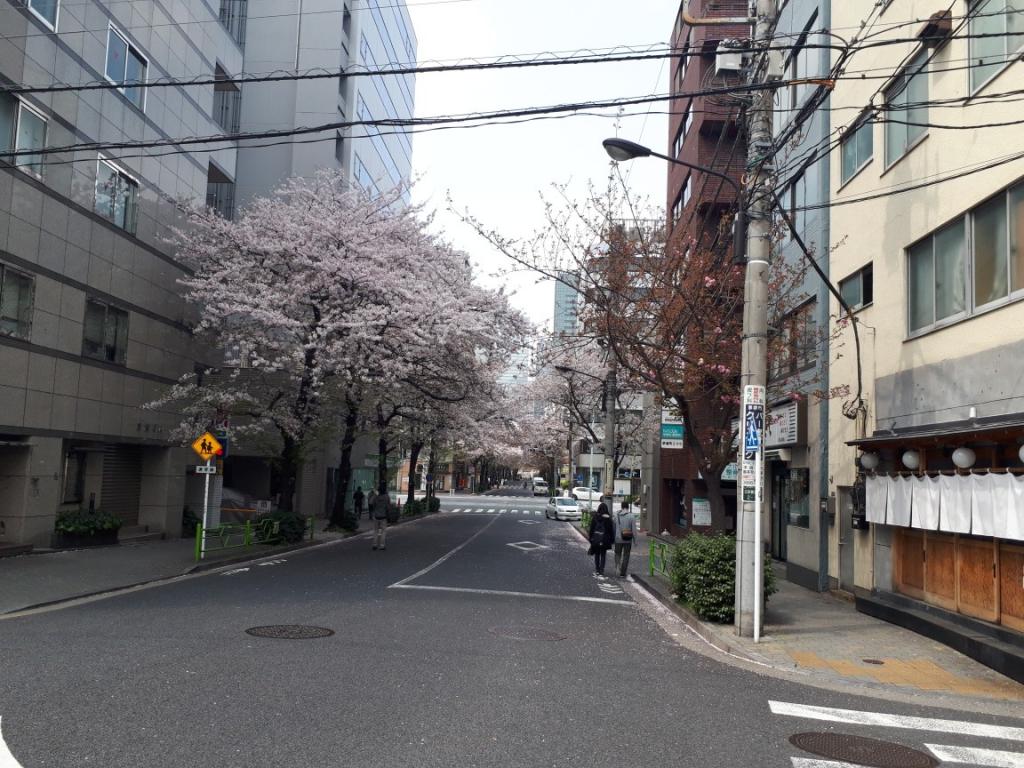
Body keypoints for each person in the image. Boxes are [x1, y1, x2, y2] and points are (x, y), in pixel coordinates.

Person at [587, 501, 614, 575]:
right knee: (603, 554)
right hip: (604, 540)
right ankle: (602, 569)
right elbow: (610, 530)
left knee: (597, 554)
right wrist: (612, 539)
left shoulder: (595, 517)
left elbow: (592, 529)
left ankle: (597, 568)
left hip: (596, 539)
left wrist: (590, 538)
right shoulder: (608, 519)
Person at [613, 499, 637, 577]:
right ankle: (623, 572)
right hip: (628, 539)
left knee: (617, 554)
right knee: (626, 555)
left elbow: (614, 527)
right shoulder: (631, 516)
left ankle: (617, 567)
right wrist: (635, 541)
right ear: (628, 507)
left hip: (618, 539)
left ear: (621, 507)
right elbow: (634, 530)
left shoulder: (616, 515)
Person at [371, 486, 390, 550]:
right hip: (383, 516)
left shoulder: (376, 497)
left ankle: (374, 545)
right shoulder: (386, 497)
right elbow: (388, 507)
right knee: (383, 531)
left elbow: (372, 504)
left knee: (375, 531)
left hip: (376, 516)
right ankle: (382, 545)